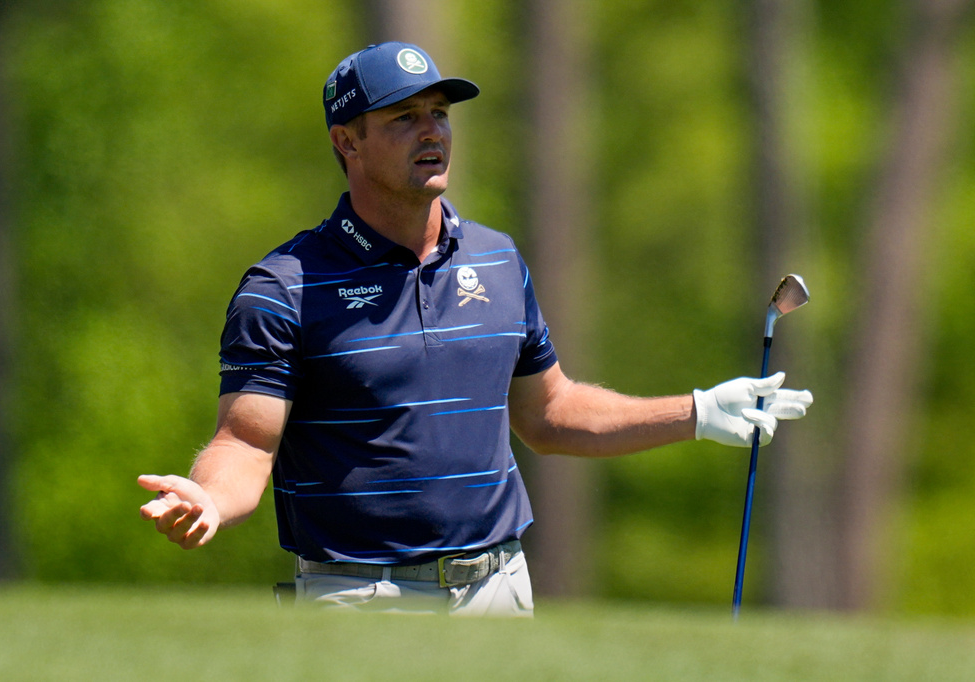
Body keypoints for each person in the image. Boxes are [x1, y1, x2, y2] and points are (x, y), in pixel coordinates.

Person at [138, 42, 813, 617]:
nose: (432, 132)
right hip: (360, 599)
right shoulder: (285, 288)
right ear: (347, 141)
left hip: (499, 589)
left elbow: (549, 415)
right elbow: (246, 444)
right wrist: (210, 500)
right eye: (404, 119)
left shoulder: (495, 259)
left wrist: (695, 411)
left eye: (439, 114)